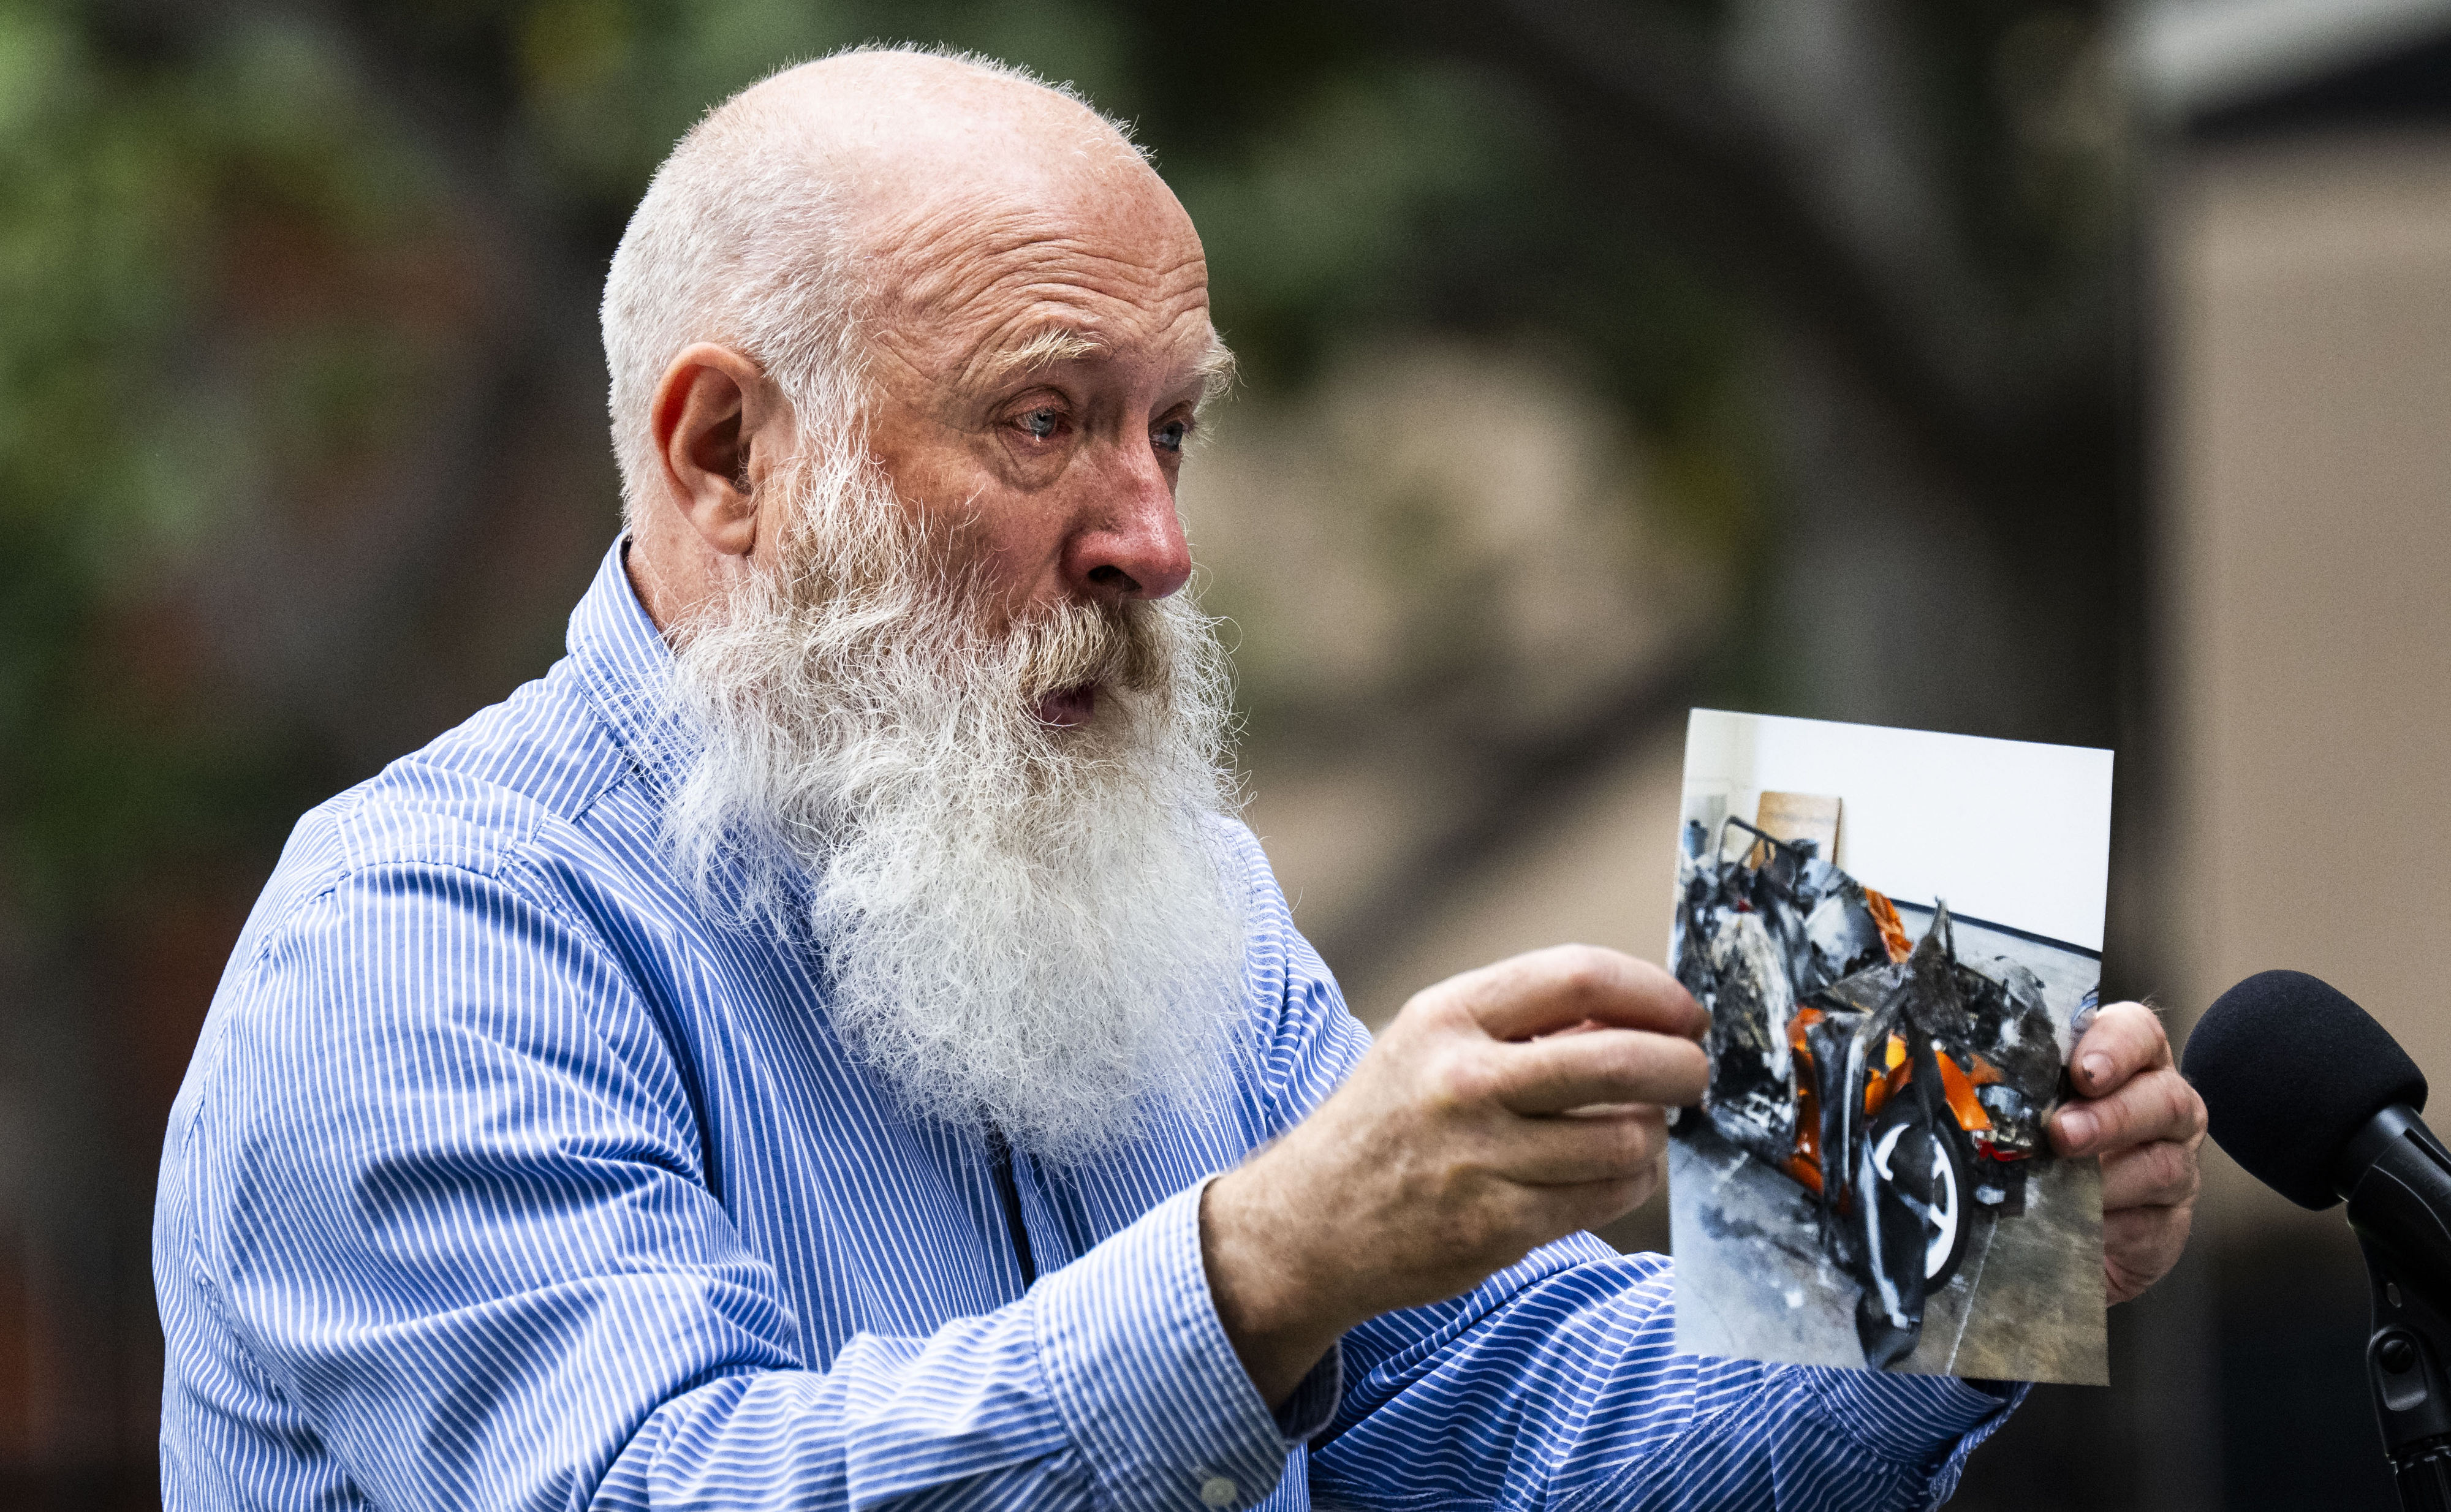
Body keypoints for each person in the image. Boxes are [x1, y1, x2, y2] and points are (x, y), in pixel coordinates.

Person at [153, 47, 2207, 1512]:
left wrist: (1924, 1249)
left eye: (1173, 431)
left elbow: (1503, 1438)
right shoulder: (421, 934)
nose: (1156, 536)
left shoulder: (1172, 898)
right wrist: (1256, 1266)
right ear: (723, 457)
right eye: (1045, 421)